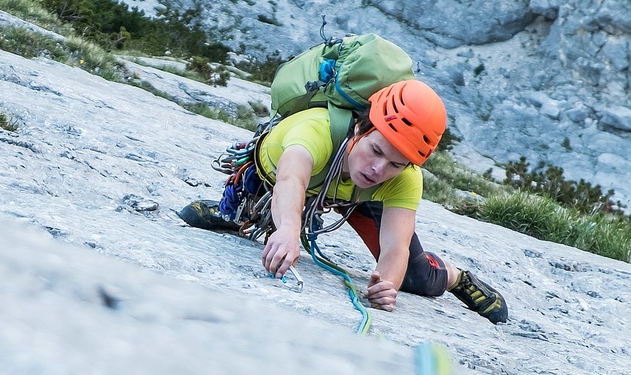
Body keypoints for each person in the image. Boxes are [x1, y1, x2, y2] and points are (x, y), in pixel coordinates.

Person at [179, 79, 508, 324]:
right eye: (376, 150)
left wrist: (387, 283)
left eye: (395, 164)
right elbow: (291, 180)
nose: (378, 169)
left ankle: (457, 277)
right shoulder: (317, 132)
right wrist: (290, 229)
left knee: (415, 278)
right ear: (359, 129)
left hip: (355, 197)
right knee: (268, 216)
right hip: (289, 177)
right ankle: (239, 215)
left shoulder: (403, 178)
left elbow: (396, 249)